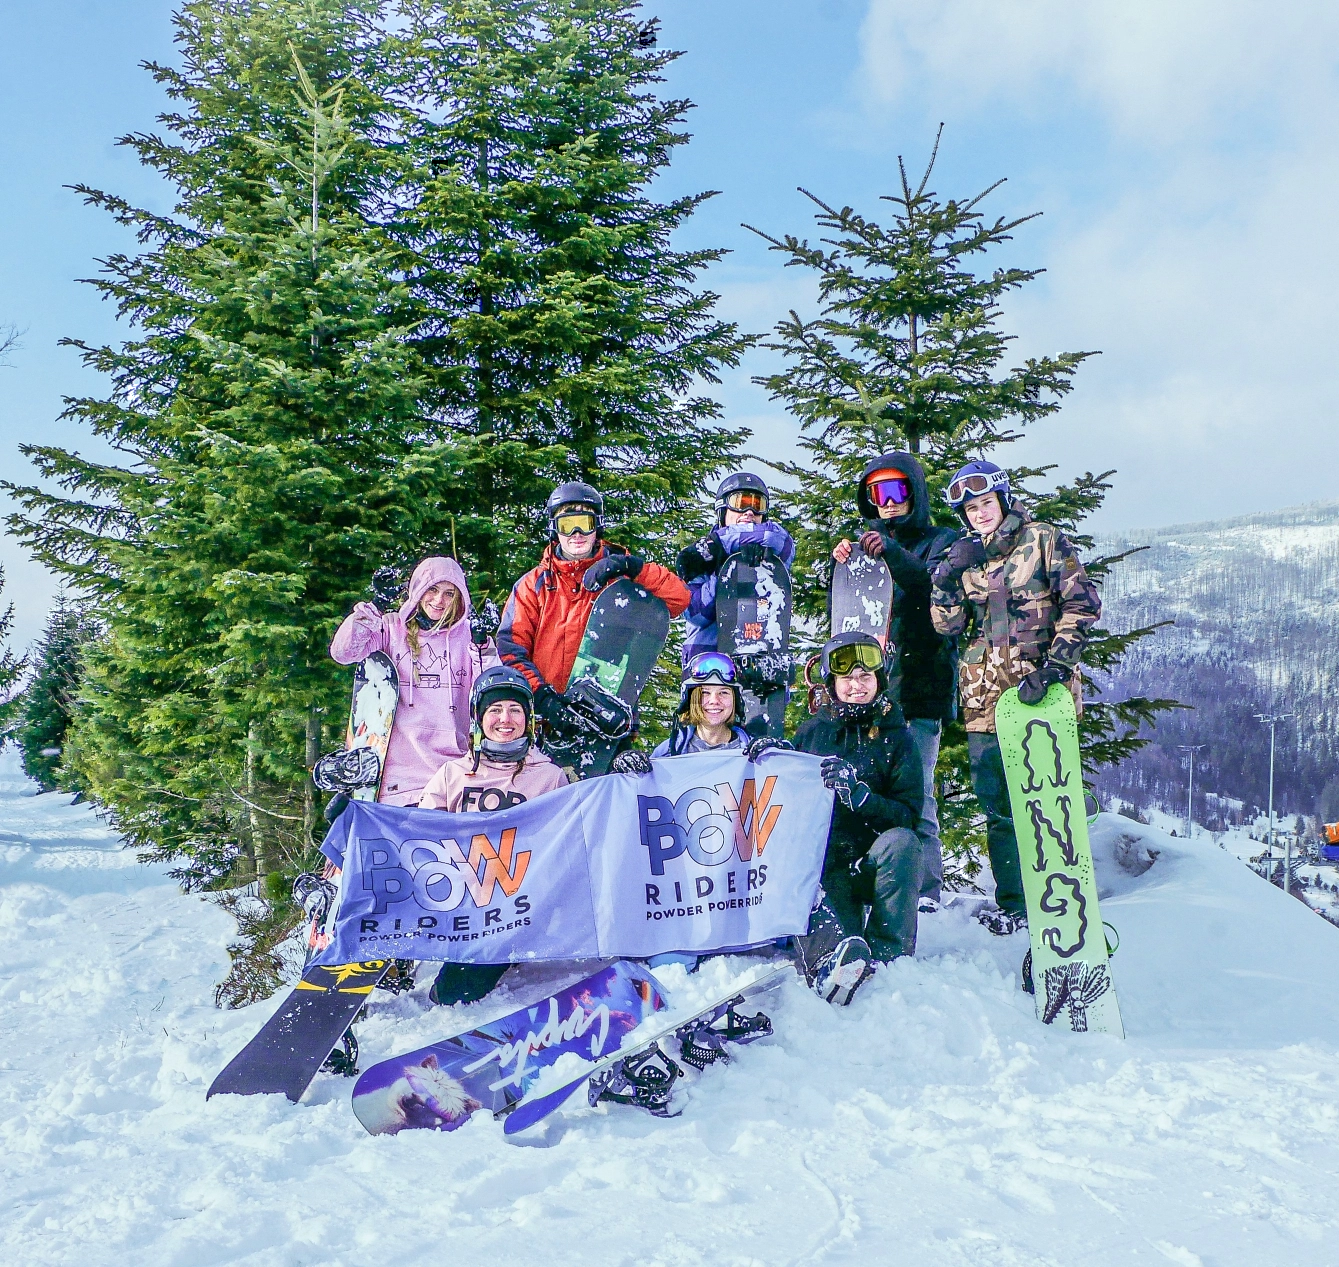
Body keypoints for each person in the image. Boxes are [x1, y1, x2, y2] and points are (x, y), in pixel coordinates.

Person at [929, 459, 1101, 935]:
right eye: (970, 508)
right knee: (998, 803)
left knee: (1049, 794)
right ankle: (1014, 904)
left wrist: (1056, 666)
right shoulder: (969, 555)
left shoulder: (1043, 539)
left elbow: (1082, 604)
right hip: (984, 697)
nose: (979, 514)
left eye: (985, 503)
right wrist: (945, 579)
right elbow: (947, 626)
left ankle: (1064, 896)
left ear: (1002, 499)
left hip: (1041, 687)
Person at [750, 633, 924, 1003]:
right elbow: (782, 800)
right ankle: (832, 963)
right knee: (839, 939)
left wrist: (862, 798)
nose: (857, 686)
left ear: (879, 680)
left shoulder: (898, 737)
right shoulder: (812, 733)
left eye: (865, 678)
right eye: (848, 679)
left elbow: (909, 815)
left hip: (871, 863)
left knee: (903, 844)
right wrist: (771, 763)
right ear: (832, 683)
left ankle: (890, 956)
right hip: (824, 869)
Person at [831, 453, 960, 911]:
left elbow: (934, 586)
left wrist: (890, 553)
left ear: (915, 493)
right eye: (876, 493)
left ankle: (924, 889)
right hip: (873, 697)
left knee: (918, 792)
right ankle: (873, 878)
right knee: (866, 787)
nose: (886, 502)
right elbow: (852, 615)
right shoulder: (867, 544)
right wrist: (844, 564)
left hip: (921, 690)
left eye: (897, 491)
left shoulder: (943, 540)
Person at [497, 481, 689, 761]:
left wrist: (633, 567)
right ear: (554, 530)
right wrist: (541, 697)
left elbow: (679, 599)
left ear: (597, 525)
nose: (576, 534)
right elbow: (511, 648)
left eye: (584, 523)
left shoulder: (621, 581)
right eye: (567, 525)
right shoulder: (533, 586)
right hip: (547, 720)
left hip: (608, 720)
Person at [418, 666, 570, 1005]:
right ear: (479, 718)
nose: (506, 719)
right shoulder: (453, 774)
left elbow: (569, 842)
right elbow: (418, 831)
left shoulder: (548, 777)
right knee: (451, 995)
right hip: (462, 905)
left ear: (528, 719)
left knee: (462, 994)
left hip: (518, 907)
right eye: (495, 710)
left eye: (515, 710)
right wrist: (357, 822)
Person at [330, 556, 498, 807]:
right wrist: (375, 607)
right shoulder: (390, 629)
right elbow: (344, 652)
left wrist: (482, 643)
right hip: (395, 776)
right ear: (418, 590)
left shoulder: (469, 637)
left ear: (460, 598)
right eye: (432, 590)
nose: (438, 601)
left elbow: (492, 690)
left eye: (449, 594)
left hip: (451, 774)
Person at [677, 472, 796, 668]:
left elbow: (780, 542)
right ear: (722, 510)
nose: (749, 512)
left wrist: (720, 544)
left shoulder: (771, 551)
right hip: (707, 662)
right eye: (740, 503)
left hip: (760, 660)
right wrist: (723, 572)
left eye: (758, 505)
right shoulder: (701, 560)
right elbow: (696, 614)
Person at [651, 652, 752, 757]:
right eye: (705, 693)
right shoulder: (666, 753)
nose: (714, 700)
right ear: (690, 700)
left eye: (723, 692)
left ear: (735, 700)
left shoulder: (756, 754)